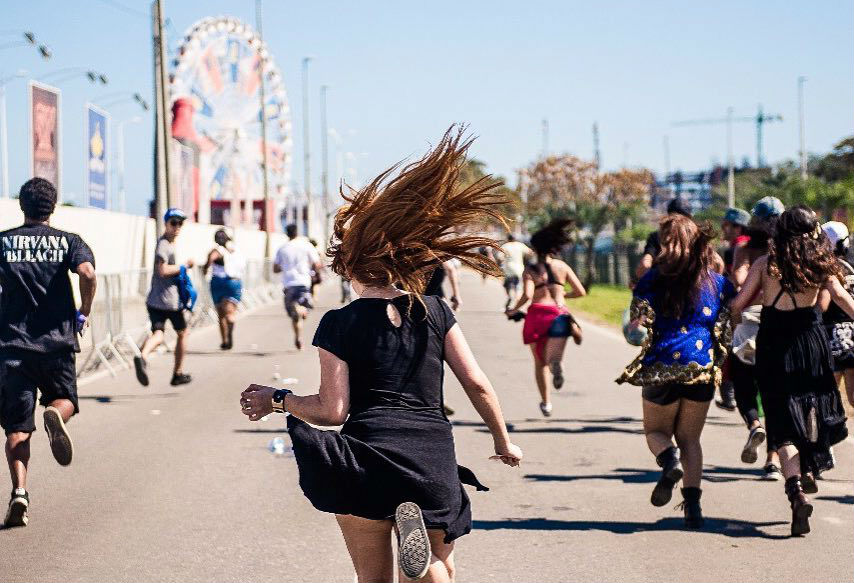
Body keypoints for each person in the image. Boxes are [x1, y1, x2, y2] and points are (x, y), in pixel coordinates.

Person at [240, 127, 522, 583]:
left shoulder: (339, 322)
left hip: (368, 455)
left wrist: (278, 399)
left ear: (348, 265)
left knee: (373, 580)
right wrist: (502, 440)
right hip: (429, 456)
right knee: (445, 567)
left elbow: (332, 411)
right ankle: (428, 569)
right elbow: (476, 383)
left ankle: (414, 560)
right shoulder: (434, 311)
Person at [731, 205, 853, 536]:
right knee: (813, 405)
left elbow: (738, 304)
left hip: (774, 346)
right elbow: (842, 298)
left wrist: (732, 326)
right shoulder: (820, 263)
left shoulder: (766, 263)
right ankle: (811, 463)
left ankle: (795, 492)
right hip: (812, 344)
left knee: (780, 421)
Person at [617, 214, 735, 529]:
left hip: (661, 366)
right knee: (691, 439)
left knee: (656, 433)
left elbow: (635, 325)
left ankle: (668, 460)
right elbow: (729, 317)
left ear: (665, 242)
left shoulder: (652, 278)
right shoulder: (717, 281)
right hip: (701, 368)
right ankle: (693, 508)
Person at [0, 178, 97, 527]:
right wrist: (83, 310)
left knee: (15, 427)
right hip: (56, 344)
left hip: (12, 348)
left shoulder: (4, 242)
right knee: (64, 399)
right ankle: (55, 414)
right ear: (53, 206)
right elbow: (87, 272)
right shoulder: (69, 241)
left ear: (22, 205)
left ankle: (20, 493)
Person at [725, 197, 785, 480]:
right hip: (781, 325)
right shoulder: (789, 251)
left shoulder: (745, 251)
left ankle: (753, 424)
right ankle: (773, 459)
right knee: (775, 393)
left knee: (744, 384)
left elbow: (738, 282)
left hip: (749, 320)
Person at [506, 219, 585, 417]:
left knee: (540, 362)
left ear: (535, 248)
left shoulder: (530, 270)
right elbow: (580, 291)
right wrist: (563, 296)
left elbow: (527, 296)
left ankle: (546, 402)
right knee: (554, 358)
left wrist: (513, 309)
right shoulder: (562, 267)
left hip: (537, 316)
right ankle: (557, 365)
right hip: (559, 314)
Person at [133, 208, 194, 387]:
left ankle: (142, 356)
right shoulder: (164, 245)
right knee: (183, 333)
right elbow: (162, 270)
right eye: (173, 223)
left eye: (180, 223)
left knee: (158, 334)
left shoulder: (167, 243)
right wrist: (184, 266)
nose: (176, 227)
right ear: (166, 223)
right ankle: (177, 373)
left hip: (155, 300)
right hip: (170, 301)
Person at [715, 207, 751, 411]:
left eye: (726, 226)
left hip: (740, 307)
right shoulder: (759, 245)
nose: (724, 230)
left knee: (726, 349)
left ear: (738, 227)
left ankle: (729, 395)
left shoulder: (737, 249)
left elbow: (736, 281)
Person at [818, 221, 854, 410]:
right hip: (852, 334)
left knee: (827, 398)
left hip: (833, 338)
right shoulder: (850, 266)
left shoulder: (828, 270)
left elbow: (823, 305)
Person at [274, 224, 323, 350]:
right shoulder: (306, 245)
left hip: (289, 284)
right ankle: (301, 310)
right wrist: (311, 269)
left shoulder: (282, 249)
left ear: (287, 233)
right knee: (301, 311)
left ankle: (298, 336)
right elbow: (317, 264)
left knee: (294, 315)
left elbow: (275, 268)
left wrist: (285, 266)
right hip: (303, 283)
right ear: (297, 232)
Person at [202, 228, 245, 350]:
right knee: (230, 313)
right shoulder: (236, 250)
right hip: (234, 282)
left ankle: (225, 340)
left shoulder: (217, 250)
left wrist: (205, 269)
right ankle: (229, 330)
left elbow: (210, 259)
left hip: (218, 282)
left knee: (220, 314)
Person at [635, 197, 693, 280]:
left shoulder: (657, 236)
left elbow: (645, 264)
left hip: (663, 285)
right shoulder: (697, 237)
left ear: (668, 216)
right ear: (690, 217)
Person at [499, 233, 533, 310]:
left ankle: (511, 297)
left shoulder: (505, 246)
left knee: (509, 285)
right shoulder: (520, 245)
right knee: (518, 287)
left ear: (508, 239)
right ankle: (518, 304)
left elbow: (500, 257)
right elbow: (530, 252)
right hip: (520, 269)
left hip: (509, 270)